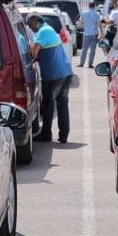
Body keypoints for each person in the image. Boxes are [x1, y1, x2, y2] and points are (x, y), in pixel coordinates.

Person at [26, 15, 73, 143]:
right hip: (65, 72)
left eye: (30, 25)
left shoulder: (43, 31)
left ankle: (46, 134)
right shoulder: (49, 29)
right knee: (62, 104)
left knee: (48, 104)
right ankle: (64, 135)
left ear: (36, 22)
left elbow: (34, 52)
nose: (30, 28)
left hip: (53, 75)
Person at [78, 3, 103, 68]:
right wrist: (102, 33)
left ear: (88, 5)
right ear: (94, 6)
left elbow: (80, 22)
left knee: (84, 49)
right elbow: (99, 24)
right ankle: (90, 64)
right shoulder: (97, 13)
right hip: (94, 33)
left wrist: (85, 24)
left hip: (86, 33)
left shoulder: (84, 13)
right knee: (92, 50)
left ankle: (81, 63)